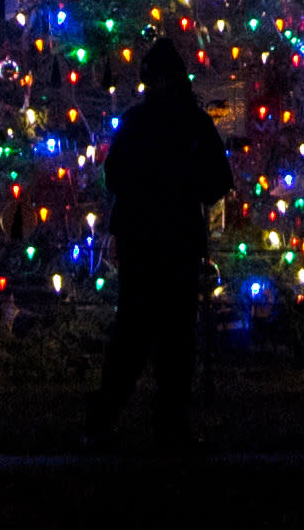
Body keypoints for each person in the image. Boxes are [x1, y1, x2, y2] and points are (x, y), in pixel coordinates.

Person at [86, 37, 230, 451]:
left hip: (147, 240)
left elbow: (114, 177)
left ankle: (109, 420)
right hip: (174, 240)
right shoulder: (192, 123)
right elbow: (217, 181)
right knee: (171, 338)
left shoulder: (139, 122)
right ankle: (165, 423)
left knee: (135, 333)